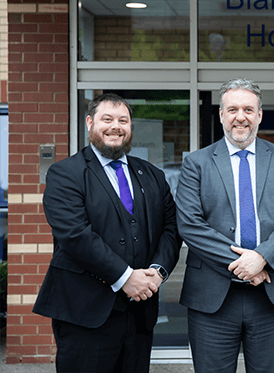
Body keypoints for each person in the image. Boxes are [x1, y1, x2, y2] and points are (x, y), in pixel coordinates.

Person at [33, 93, 181, 373]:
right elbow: (75, 235)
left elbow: (171, 228)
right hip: (85, 312)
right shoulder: (65, 173)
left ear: (130, 128)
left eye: (123, 120)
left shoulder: (152, 175)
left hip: (140, 311)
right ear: (90, 123)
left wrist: (157, 272)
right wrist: (126, 277)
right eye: (107, 119)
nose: (116, 126)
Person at [176, 77, 274, 373]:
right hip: (211, 297)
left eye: (248, 110)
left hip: (271, 295)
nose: (241, 117)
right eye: (233, 109)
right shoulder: (196, 163)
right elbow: (190, 225)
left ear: (260, 115)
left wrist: (262, 258)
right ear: (222, 115)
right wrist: (245, 264)